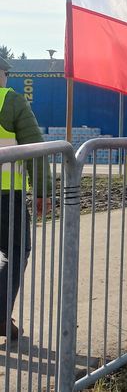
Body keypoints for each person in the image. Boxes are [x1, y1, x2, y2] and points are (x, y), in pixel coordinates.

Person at [0, 56, 51, 339]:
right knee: (17, 252)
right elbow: (34, 148)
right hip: (6, 198)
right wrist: (43, 191)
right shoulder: (11, 101)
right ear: (3, 74)